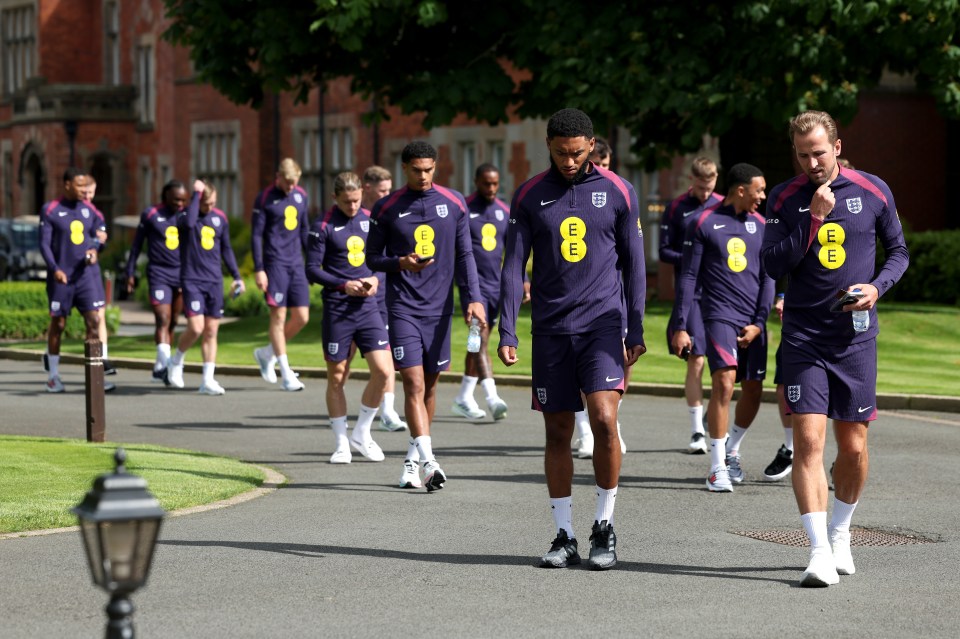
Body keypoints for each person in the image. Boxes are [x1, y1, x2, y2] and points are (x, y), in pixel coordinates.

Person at [761, 110, 908, 587]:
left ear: (838, 148)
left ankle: (841, 530)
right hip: (804, 337)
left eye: (819, 153)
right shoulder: (785, 198)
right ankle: (818, 550)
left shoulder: (873, 190)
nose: (812, 163)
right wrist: (812, 220)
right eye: (803, 155)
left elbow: (899, 252)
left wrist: (877, 287)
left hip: (855, 338)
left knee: (854, 446)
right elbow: (770, 264)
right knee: (807, 442)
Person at [498, 108, 646, 571]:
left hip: (603, 325)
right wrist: (507, 328)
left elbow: (635, 264)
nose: (569, 161)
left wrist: (635, 327)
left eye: (577, 153)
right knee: (558, 430)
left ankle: (605, 524)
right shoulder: (529, 195)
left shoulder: (619, 191)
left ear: (592, 146)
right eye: (561, 153)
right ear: (549, 146)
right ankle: (564, 533)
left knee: (603, 419)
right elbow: (511, 267)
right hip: (550, 329)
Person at [366, 140, 486, 492]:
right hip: (403, 306)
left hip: (440, 310)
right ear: (404, 168)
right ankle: (432, 463)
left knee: (430, 387)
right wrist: (398, 263)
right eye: (417, 170)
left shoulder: (454, 203)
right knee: (413, 384)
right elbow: (373, 258)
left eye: (429, 169)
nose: (423, 176)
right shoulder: (386, 207)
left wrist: (473, 300)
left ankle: (411, 462)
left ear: (436, 167)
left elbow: (466, 257)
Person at [671, 163, 773, 493]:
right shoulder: (701, 222)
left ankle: (732, 451)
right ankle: (716, 468)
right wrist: (681, 325)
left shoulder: (762, 225)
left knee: (753, 388)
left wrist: (760, 322)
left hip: (753, 320)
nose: (763, 196)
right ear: (741, 190)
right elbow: (688, 276)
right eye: (759, 190)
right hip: (718, 314)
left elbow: (768, 277)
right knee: (725, 382)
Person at [306, 172, 391, 464]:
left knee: (383, 371)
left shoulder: (371, 219)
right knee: (338, 376)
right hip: (338, 308)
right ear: (335, 198)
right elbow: (312, 269)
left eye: (356, 200)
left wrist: (376, 279)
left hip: (368, 309)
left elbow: (381, 258)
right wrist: (344, 285)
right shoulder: (323, 226)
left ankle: (362, 433)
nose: (352, 206)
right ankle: (341, 443)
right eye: (346, 202)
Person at [659, 157, 723, 455]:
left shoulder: (723, 205)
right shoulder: (676, 208)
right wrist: (691, 258)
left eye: (710, 185)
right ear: (692, 180)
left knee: (722, 367)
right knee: (697, 359)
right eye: (700, 185)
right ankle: (697, 430)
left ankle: (713, 417)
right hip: (692, 293)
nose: (705, 191)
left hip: (722, 293)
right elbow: (663, 250)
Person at [572, 138, 629, 458]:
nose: (602, 171)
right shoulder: (573, 196)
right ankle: (586, 431)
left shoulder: (617, 194)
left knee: (619, 362)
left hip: (613, 296)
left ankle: (611, 423)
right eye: (599, 164)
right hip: (579, 301)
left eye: (607, 164)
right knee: (584, 368)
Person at [164, 181, 245, 395]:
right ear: (198, 200)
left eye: (213, 203)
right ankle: (176, 360)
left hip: (214, 281)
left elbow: (226, 249)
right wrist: (196, 194)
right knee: (197, 327)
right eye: (206, 203)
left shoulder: (220, 218)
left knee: (211, 331)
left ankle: (207, 380)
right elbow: (190, 224)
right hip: (192, 280)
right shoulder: (184, 216)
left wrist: (237, 277)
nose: (210, 207)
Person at [38, 168, 106, 393]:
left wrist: (96, 249)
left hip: (85, 277)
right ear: (66, 184)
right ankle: (53, 376)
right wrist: (55, 269)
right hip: (62, 278)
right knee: (59, 324)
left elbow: (99, 235)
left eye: (87, 186)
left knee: (94, 321)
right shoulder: (50, 210)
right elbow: (44, 244)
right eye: (80, 186)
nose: (84, 190)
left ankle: (94, 378)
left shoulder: (90, 210)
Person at [452, 163, 510, 421]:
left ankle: (464, 396)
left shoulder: (504, 212)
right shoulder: (462, 209)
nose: (491, 188)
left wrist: (525, 280)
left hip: (495, 287)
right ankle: (492, 396)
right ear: (476, 180)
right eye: (486, 183)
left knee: (476, 341)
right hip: (471, 288)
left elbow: (514, 254)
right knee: (482, 338)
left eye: (495, 183)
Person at [251, 158, 310, 392]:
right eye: (287, 182)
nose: (291, 187)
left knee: (302, 318)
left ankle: (267, 353)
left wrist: (312, 261)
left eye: (295, 182)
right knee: (278, 317)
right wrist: (259, 268)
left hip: (296, 263)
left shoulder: (301, 196)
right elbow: (256, 235)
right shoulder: (265, 197)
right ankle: (286, 373)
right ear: (278, 177)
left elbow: (304, 229)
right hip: (274, 264)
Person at [125, 180, 187, 382]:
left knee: (174, 321)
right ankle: (167, 366)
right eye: (176, 199)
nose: (180, 204)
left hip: (181, 274)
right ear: (166, 196)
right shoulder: (151, 214)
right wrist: (130, 271)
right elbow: (136, 245)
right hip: (159, 273)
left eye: (183, 200)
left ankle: (159, 365)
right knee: (162, 318)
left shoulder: (186, 215)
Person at [361, 165, 408, 432]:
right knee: (341, 367)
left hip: (383, 293)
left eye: (390, 190)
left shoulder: (389, 214)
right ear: (367, 188)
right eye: (382, 190)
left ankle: (388, 410)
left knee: (386, 352)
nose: (387, 195)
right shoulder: (356, 215)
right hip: (352, 297)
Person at [81, 175, 118, 384]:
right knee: (58, 320)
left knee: (98, 315)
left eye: (91, 192)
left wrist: (96, 243)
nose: (87, 196)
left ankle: (101, 359)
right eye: (84, 192)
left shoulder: (96, 213)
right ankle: (52, 361)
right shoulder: (68, 212)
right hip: (69, 271)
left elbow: (101, 238)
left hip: (91, 270)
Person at [762, 292, 795, 481]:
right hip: (797, 325)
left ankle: (840, 461)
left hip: (836, 322)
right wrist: (783, 297)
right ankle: (791, 448)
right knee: (784, 388)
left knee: (835, 394)